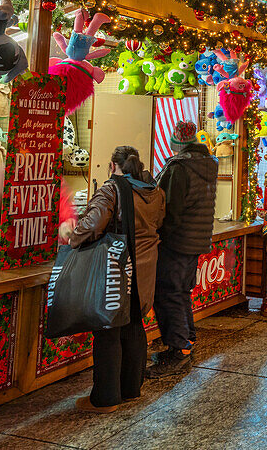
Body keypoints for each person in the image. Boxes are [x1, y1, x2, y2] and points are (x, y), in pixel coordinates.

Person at [64, 146, 164, 412]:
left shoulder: (111, 189)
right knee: (133, 326)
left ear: (112, 166)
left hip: (117, 267)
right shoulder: (154, 190)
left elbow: (94, 224)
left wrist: (72, 235)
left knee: (108, 331)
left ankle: (105, 398)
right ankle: (131, 389)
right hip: (144, 269)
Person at [145, 122, 217, 378]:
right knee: (181, 291)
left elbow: (170, 208)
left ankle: (178, 351)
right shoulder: (208, 163)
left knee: (168, 293)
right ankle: (188, 338)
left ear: (178, 141)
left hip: (176, 240)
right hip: (196, 239)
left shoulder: (179, 168)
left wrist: (159, 235)